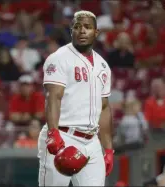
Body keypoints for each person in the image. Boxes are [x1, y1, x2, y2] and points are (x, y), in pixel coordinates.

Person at [38, 10, 114, 186]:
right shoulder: (59, 58)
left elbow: (104, 107)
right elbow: (53, 97)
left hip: (92, 142)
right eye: (77, 27)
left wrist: (108, 149)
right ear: (71, 30)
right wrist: (53, 132)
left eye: (87, 27)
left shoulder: (103, 65)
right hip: (64, 135)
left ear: (96, 32)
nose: (82, 31)